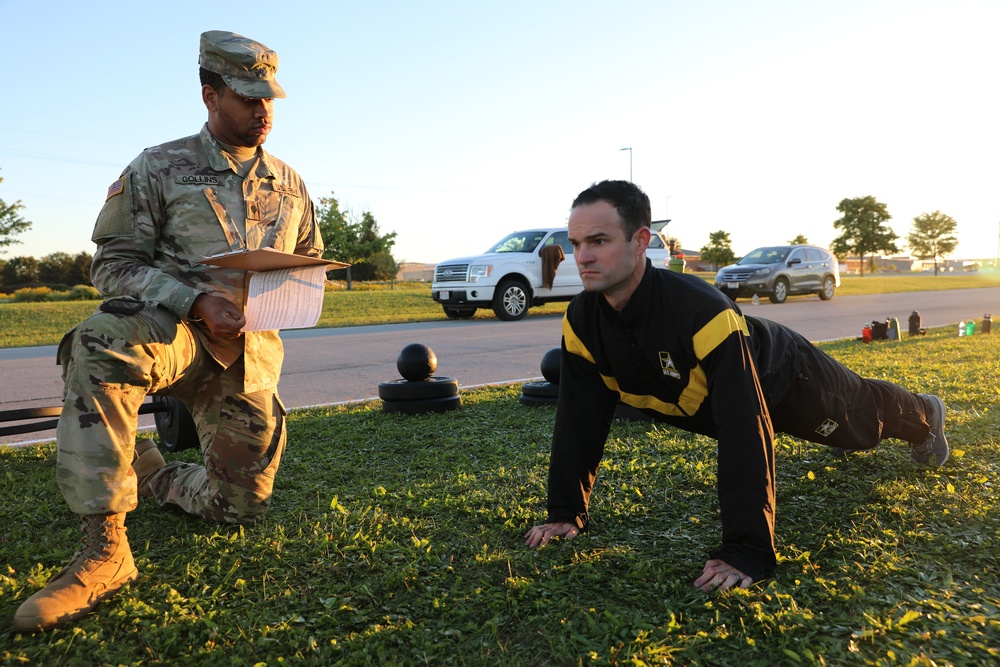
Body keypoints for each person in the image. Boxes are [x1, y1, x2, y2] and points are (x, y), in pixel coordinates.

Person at [14, 31, 324, 632]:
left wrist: (298, 288)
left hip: (247, 357)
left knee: (238, 507)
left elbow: (308, 258)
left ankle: (152, 469)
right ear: (211, 96)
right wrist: (194, 298)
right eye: (247, 97)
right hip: (170, 332)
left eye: (270, 99)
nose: (263, 111)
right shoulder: (158, 167)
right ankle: (105, 549)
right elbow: (111, 263)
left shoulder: (290, 182)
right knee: (101, 342)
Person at [523, 180, 947, 593]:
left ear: (639, 241)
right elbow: (580, 416)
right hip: (718, 400)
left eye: (598, 241)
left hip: (783, 377)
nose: (583, 257)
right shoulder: (581, 318)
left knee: (864, 425)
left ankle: (925, 414)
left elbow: (744, 424)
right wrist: (565, 512)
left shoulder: (700, 310)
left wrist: (746, 550)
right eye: (576, 243)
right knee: (854, 431)